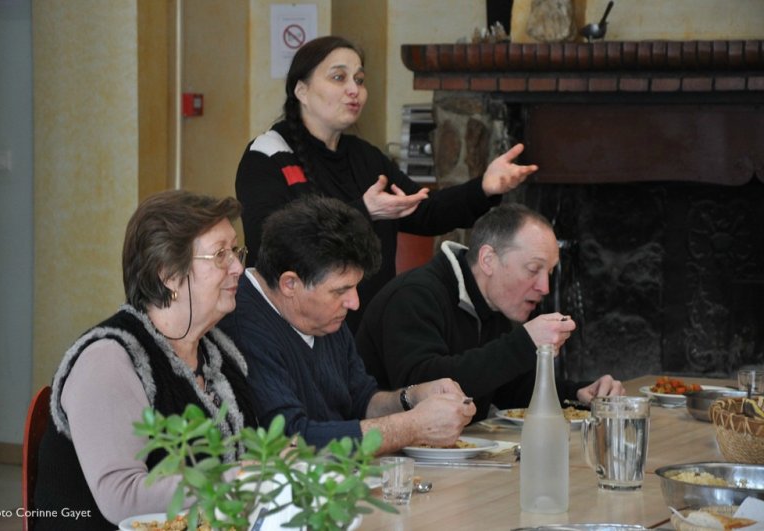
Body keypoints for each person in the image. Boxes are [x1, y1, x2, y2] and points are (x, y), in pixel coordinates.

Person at [235, 35, 539, 332]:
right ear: (301, 90)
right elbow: (269, 246)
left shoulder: (366, 157)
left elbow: (426, 211)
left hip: (369, 326)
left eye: (359, 80)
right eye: (339, 78)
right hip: (297, 330)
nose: (354, 89)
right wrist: (364, 211)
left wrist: (484, 187)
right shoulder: (269, 153)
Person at [34, 190, 257, 530]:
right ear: (167, 274)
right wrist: (242, 478)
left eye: (236, 251)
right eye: (220, 255)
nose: (238, 267)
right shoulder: (108, 360)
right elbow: (123, 499)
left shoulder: (220, 353)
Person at [218, 196, 475, 453]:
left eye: (355, 287)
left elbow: (362, 401)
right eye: (340, 291)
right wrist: (414, 426)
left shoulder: (323, 317)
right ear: (290, 284)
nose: (354, 303)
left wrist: (413, 397)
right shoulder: (242, 327)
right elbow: (291, 439)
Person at [355, 203, 625, 422]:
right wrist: (524, 343)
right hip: (383, 458)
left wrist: (579, 394)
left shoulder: (491, 303)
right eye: (533, 269)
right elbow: (426, 387)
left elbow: (512, 390)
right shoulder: (413, 295)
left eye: (550, 272)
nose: (544, 287)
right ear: (488, 260)